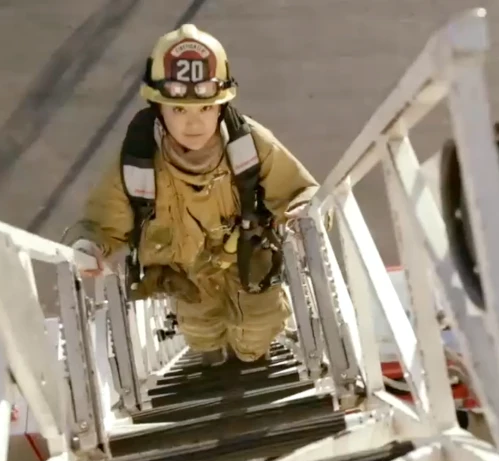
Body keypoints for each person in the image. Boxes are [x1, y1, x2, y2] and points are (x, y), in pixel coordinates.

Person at [63, 24, 318, 365]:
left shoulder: (250, 145)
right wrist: (87, 245)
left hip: (249, 264)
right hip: (186, 277)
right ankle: (212, 355)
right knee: (201, 329)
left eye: (205, 108)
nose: (193, 124)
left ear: (221, 106)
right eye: (179, 110)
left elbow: (300, 192)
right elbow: (101, 223)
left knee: (260, 325)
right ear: (158, 108)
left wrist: (303, 214)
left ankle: (250, 355)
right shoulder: (138, 164)